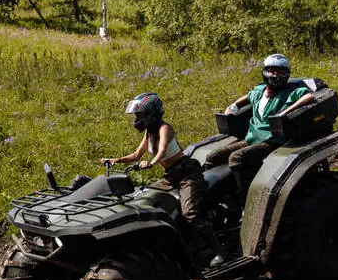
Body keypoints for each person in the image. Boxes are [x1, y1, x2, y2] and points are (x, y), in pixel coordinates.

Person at [108, 91, 220, 265]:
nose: (137, 118)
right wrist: (116, 160)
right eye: (136, 114)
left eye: (140, 114)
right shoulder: (149, 132)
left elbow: (161, 150)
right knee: (149, 200)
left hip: (187, 173)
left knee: (189, 212)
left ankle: (216, 250)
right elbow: (136, 155)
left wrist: (151, 163)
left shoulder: (164, 128)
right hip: (171, 176)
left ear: (152, 113)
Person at [204, 52, 316, 190]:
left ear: (287, 74)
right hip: (252, 138)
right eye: (271, 71)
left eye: (280, 71)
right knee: (213, 156)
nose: (275, 75)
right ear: (265, 72)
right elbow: (248, 96)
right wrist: (234, 105)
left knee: (236, 157)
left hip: (271, 140)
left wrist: (287, 111)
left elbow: (309, 96)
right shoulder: (260, 90)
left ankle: (243, 198)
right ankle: (210, 191)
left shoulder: (290, 92)